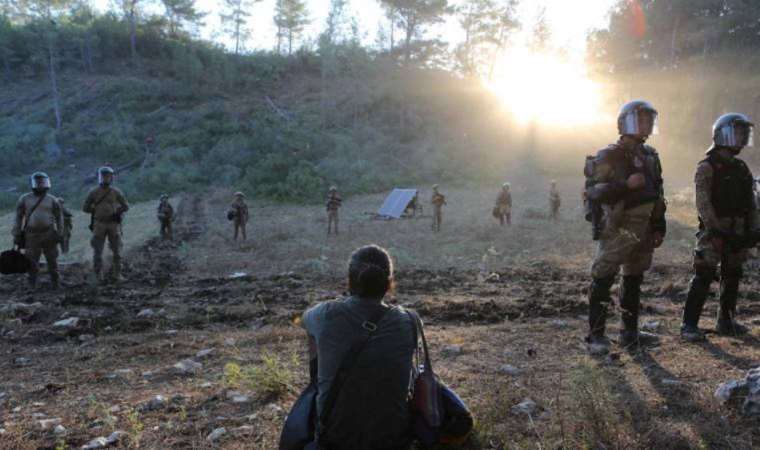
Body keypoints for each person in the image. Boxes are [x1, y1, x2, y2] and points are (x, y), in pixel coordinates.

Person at [301, 245, 416, 450]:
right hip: (393, 440)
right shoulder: (409, 320)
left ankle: (316, 389)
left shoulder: (325, 314)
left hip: (336, 439)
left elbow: (305, 320)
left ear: (350, 280)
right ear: (389, 283)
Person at [583, 100, 666, 353]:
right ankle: (596, 336)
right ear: (625, 122)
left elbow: (658, 192)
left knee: (634, 276)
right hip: (619, 224)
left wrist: (659, 225)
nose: (646, 125)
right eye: (641, 119)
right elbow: (593, 192)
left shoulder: (651, 155)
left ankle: (629, 332)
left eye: (649, 120)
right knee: (604, 275)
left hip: (645, 224)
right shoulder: (609, 155)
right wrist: (625, 186)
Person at [681, 113, 759, 341]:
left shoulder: (742, 168)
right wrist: (714, 230)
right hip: (715, 229)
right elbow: (703, 203)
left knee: (733, 274)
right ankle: (688, 325)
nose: (742, 138)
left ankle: (726, 320)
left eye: (745, 134)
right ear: (722, 134)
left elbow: (751, 203)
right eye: (738, 132)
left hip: (739, 228)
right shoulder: (707, 167)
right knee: (703, 274)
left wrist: (754, 230)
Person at [12, 172, 63, 289]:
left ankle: (56, 283)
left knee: (52, 260)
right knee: (31, 261)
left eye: (43, 182)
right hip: (31, 235)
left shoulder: (52, 200)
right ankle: (32, 285)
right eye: (38, 182)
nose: (41, 185)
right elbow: (18, 217)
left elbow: (59, 217)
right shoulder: (24, 199)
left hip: (49, 234)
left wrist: (60, 232)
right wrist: (17, 233)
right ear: (33, 184)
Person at [82, 166, 130, 283]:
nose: (105, 179)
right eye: (103, 176)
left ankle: (117, 275)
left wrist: (118, 212)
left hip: (113, 224)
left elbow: (126, 206)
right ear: (99, 177)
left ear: (111, 178)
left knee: (117, 251)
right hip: (99, 224)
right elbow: (85, 208)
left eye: (108, 176)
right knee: (97, 252)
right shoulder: (93, 192)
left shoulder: (116, 192)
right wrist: (96, 210)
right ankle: (98, 275)